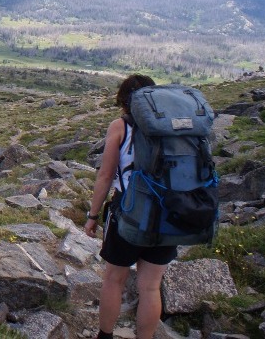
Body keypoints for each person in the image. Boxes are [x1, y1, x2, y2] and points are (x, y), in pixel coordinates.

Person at [83, 74, 176, 339]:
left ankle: (105, 335)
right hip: (168, 213)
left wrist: (92, 216)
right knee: (150, 287)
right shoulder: (173, 124)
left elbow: (105, 175)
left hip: (129, 209)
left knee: (114, 279)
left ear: (124, 100)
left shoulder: (121, 126)